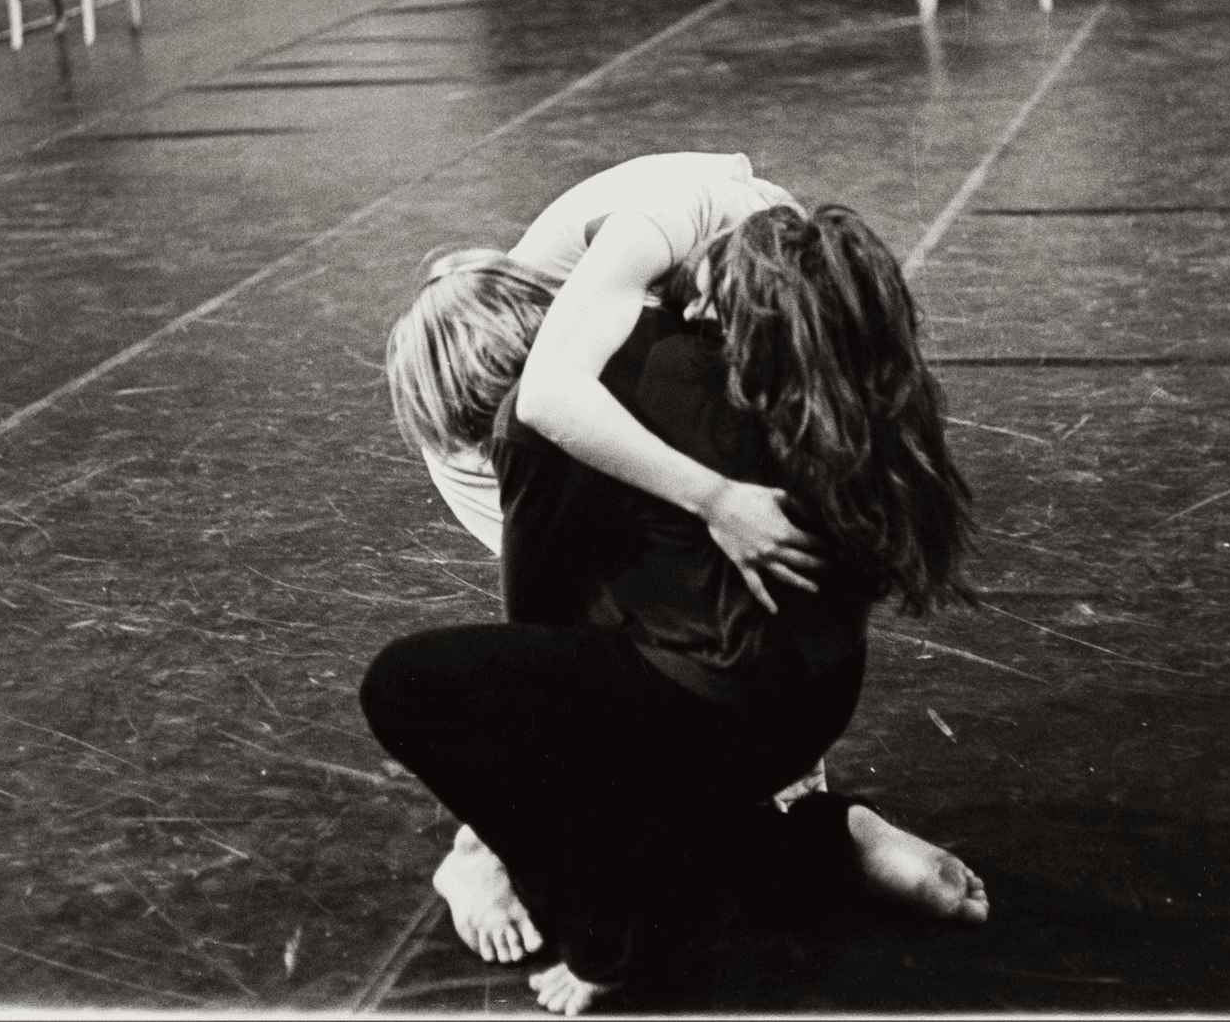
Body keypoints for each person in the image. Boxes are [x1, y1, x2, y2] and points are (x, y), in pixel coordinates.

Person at [364, 204, 988, 1015]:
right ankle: (824, 844)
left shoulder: (532, 425)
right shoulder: (690, 348)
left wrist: (501, 850)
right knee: (631, 697)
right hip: (819, 694)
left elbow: (535, 645)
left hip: (727, 716)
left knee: (408, 686)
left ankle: (614, 939)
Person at [384, 154, 833, 965]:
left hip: (598, 327)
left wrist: (794, 766)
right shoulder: (490, 434)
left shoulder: (669, 289)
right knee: (582, 635)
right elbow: (541, 634)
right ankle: (476, 852)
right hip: (506, 379)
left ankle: (789, 843)